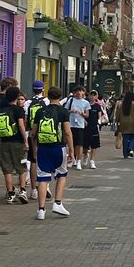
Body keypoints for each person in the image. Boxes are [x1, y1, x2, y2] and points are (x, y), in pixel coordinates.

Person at [31, 85, 74, 220]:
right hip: (58, 147)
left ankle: (41, 210)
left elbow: (33, 133)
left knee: (43, 178)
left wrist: (34, 149)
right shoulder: (63, 112)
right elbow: (67, 132)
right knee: (61, 174)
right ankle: (57, 203)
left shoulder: (40, 111)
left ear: (48, 97)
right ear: (60, 97)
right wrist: (71, 150)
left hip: (43, 148)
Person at [0, 86, 29, 204]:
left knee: (7, 169)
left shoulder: (1, 109)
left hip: (4, 141)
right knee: (21, 167)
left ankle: (10, 194)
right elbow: (21, 126)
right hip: (17, 142)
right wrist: (25, 141)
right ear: (17, 97)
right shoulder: (18, 110)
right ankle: (22, 190)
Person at [24, 80, 49, 199]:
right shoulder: (46, 101)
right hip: (45, 134)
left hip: (31, 134)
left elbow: (25, 120)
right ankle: (46, 185)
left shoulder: (28, 102)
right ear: (42, 89)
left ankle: (33, 190)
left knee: (33, 160)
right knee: (45, 160)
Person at [64, 86, 90, 170]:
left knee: (79, 144)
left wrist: (82, 114)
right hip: (70, 124)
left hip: (80, 125)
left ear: (84, 93)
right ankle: (72, 159)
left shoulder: (86, 103)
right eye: (78, 91)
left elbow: (87, 115)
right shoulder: (71, 100)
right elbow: (65, 111)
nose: (79, 93)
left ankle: (79, 161)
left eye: (81, 91)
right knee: (70, 143)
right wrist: (71, 111)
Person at [115, 91, 134, 158]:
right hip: (133, 123)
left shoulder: (122, 104)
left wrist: (117, 120)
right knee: (133, 137)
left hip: (123, 123)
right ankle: (131, 148)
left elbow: (118, 114)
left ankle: (125, 154)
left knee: (125, 138)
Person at [82, 90, 102, 168]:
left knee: (94, 145)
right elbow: (82, 114)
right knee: (85, 145)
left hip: (94, 127)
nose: (92, 97)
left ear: (96, 97)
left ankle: (92, 160)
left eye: (94, 95)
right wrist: (83, 120)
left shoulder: (97, 106)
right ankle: (85, 155)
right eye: (91, 95)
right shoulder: (85, 104)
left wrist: (99, 120)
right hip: (86, 127)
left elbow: (99, 114)